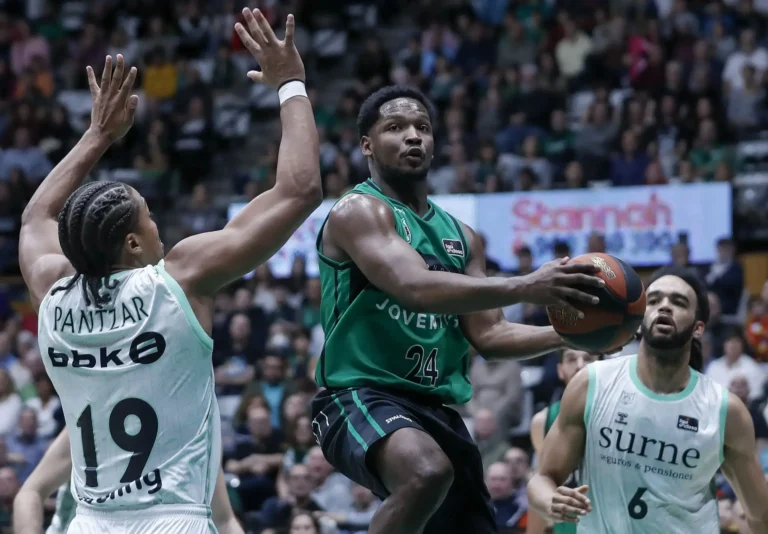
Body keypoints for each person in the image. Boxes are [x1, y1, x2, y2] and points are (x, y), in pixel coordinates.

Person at [14, 9, 320, 534]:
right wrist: (290, 82)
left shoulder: (51, 291)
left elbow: (35, 217)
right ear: (133, 243)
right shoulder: (180, 280)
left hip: (88, 523)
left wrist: (97, 136)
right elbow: (300, 190)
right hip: (171, 518)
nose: (159, 226)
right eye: (150, 217)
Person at [310, 84, 606, 534]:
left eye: (422, 128)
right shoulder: (358, 210)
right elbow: (414, 287)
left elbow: (490, 336)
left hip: (435, 409)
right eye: (396, 127)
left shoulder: (463, 237)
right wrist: (526, 285)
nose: (414, 137)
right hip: (357, 397)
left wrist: (581, 334)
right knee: (426, 472)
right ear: (367, 145)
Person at [528, 266, 768, 534]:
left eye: (678, 302)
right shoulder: (591, 383)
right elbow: (542, 479)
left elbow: (761, 514)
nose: (664, 307)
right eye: (654, 301)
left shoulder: (726, 410)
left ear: (698, 328)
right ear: (640, 319)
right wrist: (551, 501)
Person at [527, 349, 600, 534]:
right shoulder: (543, 421)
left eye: (589, 358)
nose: (580, 365)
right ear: (560, 370)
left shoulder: (621, 414)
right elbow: (541, 486)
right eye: (571, 359)